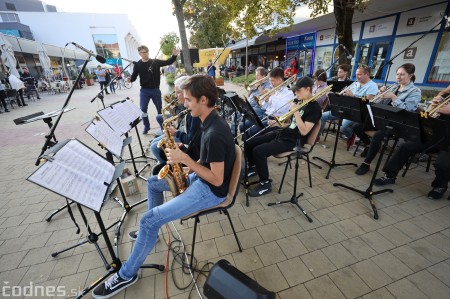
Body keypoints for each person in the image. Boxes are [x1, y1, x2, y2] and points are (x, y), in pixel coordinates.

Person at [92, 75, 235, 298]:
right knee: (152, 183)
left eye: (188, 100)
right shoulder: (210, 122)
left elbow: (217, 180)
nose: (184, 104)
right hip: (202, 181)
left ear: (204, 100)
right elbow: (207, 163)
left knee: (148, 220)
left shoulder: (215, 132)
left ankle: (127, 274)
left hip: (211, 192)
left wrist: (185, 160)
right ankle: (151, 235)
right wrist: (189, 168)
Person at [245, 76, 322, 197]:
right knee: (249, 142)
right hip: (285, 133)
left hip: (295, 141)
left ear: (308, 89)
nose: (295, 93)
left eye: (298, 90)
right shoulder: (298, 101)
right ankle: (254, 167)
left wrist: (295, 111)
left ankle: (265, 184)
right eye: (295, 91)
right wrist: (279, 123)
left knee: (259, 151)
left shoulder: (315, 108)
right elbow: (291, 124)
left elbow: (304, 131)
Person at [374, 85, 450, 200]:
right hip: (435, 137)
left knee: (442, 164)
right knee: (406, 146)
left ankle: (440, 186)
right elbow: (428, 115)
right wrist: (433, 105)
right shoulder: (446, 96)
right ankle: (390, 175)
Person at [353, 63, 421, 175]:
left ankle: (366, 163)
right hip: (384, 118)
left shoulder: (415, 91)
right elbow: (378, 104)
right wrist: (381, 94)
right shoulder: (394, 87)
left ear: (411, 75)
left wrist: (393, 97)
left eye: (402, 75)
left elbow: (407, 110)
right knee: (356, 126)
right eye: (397, 74)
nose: (398, 77)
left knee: (378, 135)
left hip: (399, 122)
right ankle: (369, 146)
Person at [319, 65, 378, 145]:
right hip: (345, 108)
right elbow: (345, 95)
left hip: (357, 112)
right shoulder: (356, 83)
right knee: (322, 116)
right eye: (356, 74)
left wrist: (354, 96)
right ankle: (317, 136)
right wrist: (334, 95)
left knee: (343, 127)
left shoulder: (373, 85)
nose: (357, 76)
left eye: (359, 74)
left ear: (367, 75)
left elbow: (367, 100)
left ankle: (351, 135)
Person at [150, 75, 201, 164]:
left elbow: (191, 140)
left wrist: (176, 132)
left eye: (178, 92)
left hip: (189, 148)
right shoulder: (191, 111)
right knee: (155, 144)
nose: (175, 96)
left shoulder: (195, 114)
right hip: (185, 139)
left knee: (155, 147)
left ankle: (165, 166)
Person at [129, 45, 180, 134]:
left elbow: (168, 61)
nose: (145, 54)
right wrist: (129, 79)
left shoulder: (155, 62)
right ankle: (146, 126)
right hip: (144, 91)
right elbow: (133, 77)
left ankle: (162, 127)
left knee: (159, 110)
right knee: (143, 109)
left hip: (155, 90)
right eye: (143, 52)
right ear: (140, 54)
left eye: (146, 52)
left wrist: (174, 55)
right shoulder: (138, 64)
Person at [243, 68, 293, 137]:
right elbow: (265, 107)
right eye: (270, 81)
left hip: (275, 119)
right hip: (266, 115)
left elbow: (281, 110)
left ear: (280, 80)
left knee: (252, 131)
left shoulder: (288, 93)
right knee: (243, 125)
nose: (271, 84)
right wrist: (266, 100)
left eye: (273, 81)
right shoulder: (274, 90)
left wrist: (271, 97)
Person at [234, 67, 271, 135]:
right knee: (236, 113)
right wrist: (250, 89)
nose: (256, 77)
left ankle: (237, 134)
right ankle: (234, 132)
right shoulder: (257, 82)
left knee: (241, 114)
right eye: (255, 75)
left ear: (263, 76)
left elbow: (266, 96)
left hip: (258, 107)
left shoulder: (268, 84)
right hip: (249, 104)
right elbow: (248, 95)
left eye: (258, 75)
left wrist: (259, 86)